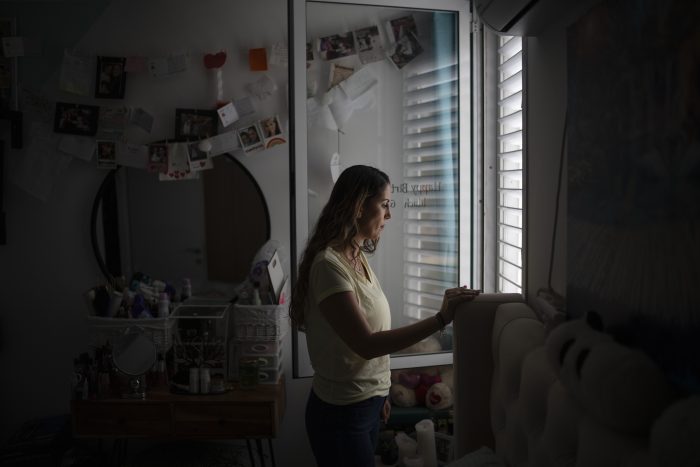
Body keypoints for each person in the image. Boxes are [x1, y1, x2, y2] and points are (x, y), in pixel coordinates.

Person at [289, 165, 480, 467]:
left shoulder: (356, 256)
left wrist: (382, 391)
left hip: (367, 403)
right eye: (385, 204)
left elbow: (372, 343)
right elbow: (367, 344)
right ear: (358, 206)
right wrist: (441, 319)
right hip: (341, 413)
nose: (388, 215)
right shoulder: (328, 266)